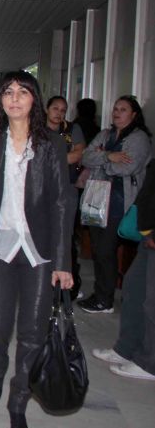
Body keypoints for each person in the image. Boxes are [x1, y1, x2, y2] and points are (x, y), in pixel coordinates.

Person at [0, 71, 74, 428]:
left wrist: (62, 262)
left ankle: (18, 401)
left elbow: (62, 203)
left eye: (22, 92)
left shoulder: (51, 144)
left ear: (34, 99)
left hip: (39, 250)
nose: (15, 99)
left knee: (33, 332)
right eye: (8, 92)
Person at [78, 95, 152, 313]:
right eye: (115, 109)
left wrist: (102, 159)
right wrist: (110, 156)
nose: (117, 113)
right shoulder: (105, 134)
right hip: (96, 199)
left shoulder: (139, 139)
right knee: (98, 249)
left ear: (134, 115)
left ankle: (105, 300)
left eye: (123, 109)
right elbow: (85, 157)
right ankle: (100, 294)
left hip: (119, 203)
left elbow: (126, 168)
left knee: (105, 250)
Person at [92, 160, 155, 381]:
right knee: (133, 288)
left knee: (152, 300)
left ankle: (150, 363)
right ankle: (126, 349)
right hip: (147, 232)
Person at [45, 95, 86, 298]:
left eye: (63, 110)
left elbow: (79, 153)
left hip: (67, 187)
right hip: (43, 189)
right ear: (47, 109)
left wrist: (52, 160)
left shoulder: (72, 129)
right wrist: (63, 159)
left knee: (65, 234)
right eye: (55, 108)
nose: (59, 113)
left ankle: (69, 285)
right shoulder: (37, 128)